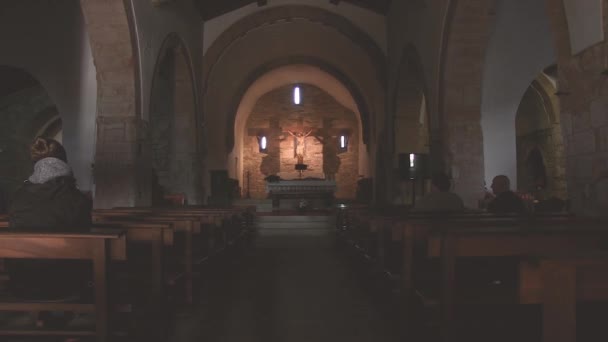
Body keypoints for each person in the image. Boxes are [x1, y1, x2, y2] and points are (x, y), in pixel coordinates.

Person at [7, 137, 92, 304]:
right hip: (67, 285)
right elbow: (86, 243)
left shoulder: (18, 197)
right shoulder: (77, 199)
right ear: (64, 163)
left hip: (21, 283)